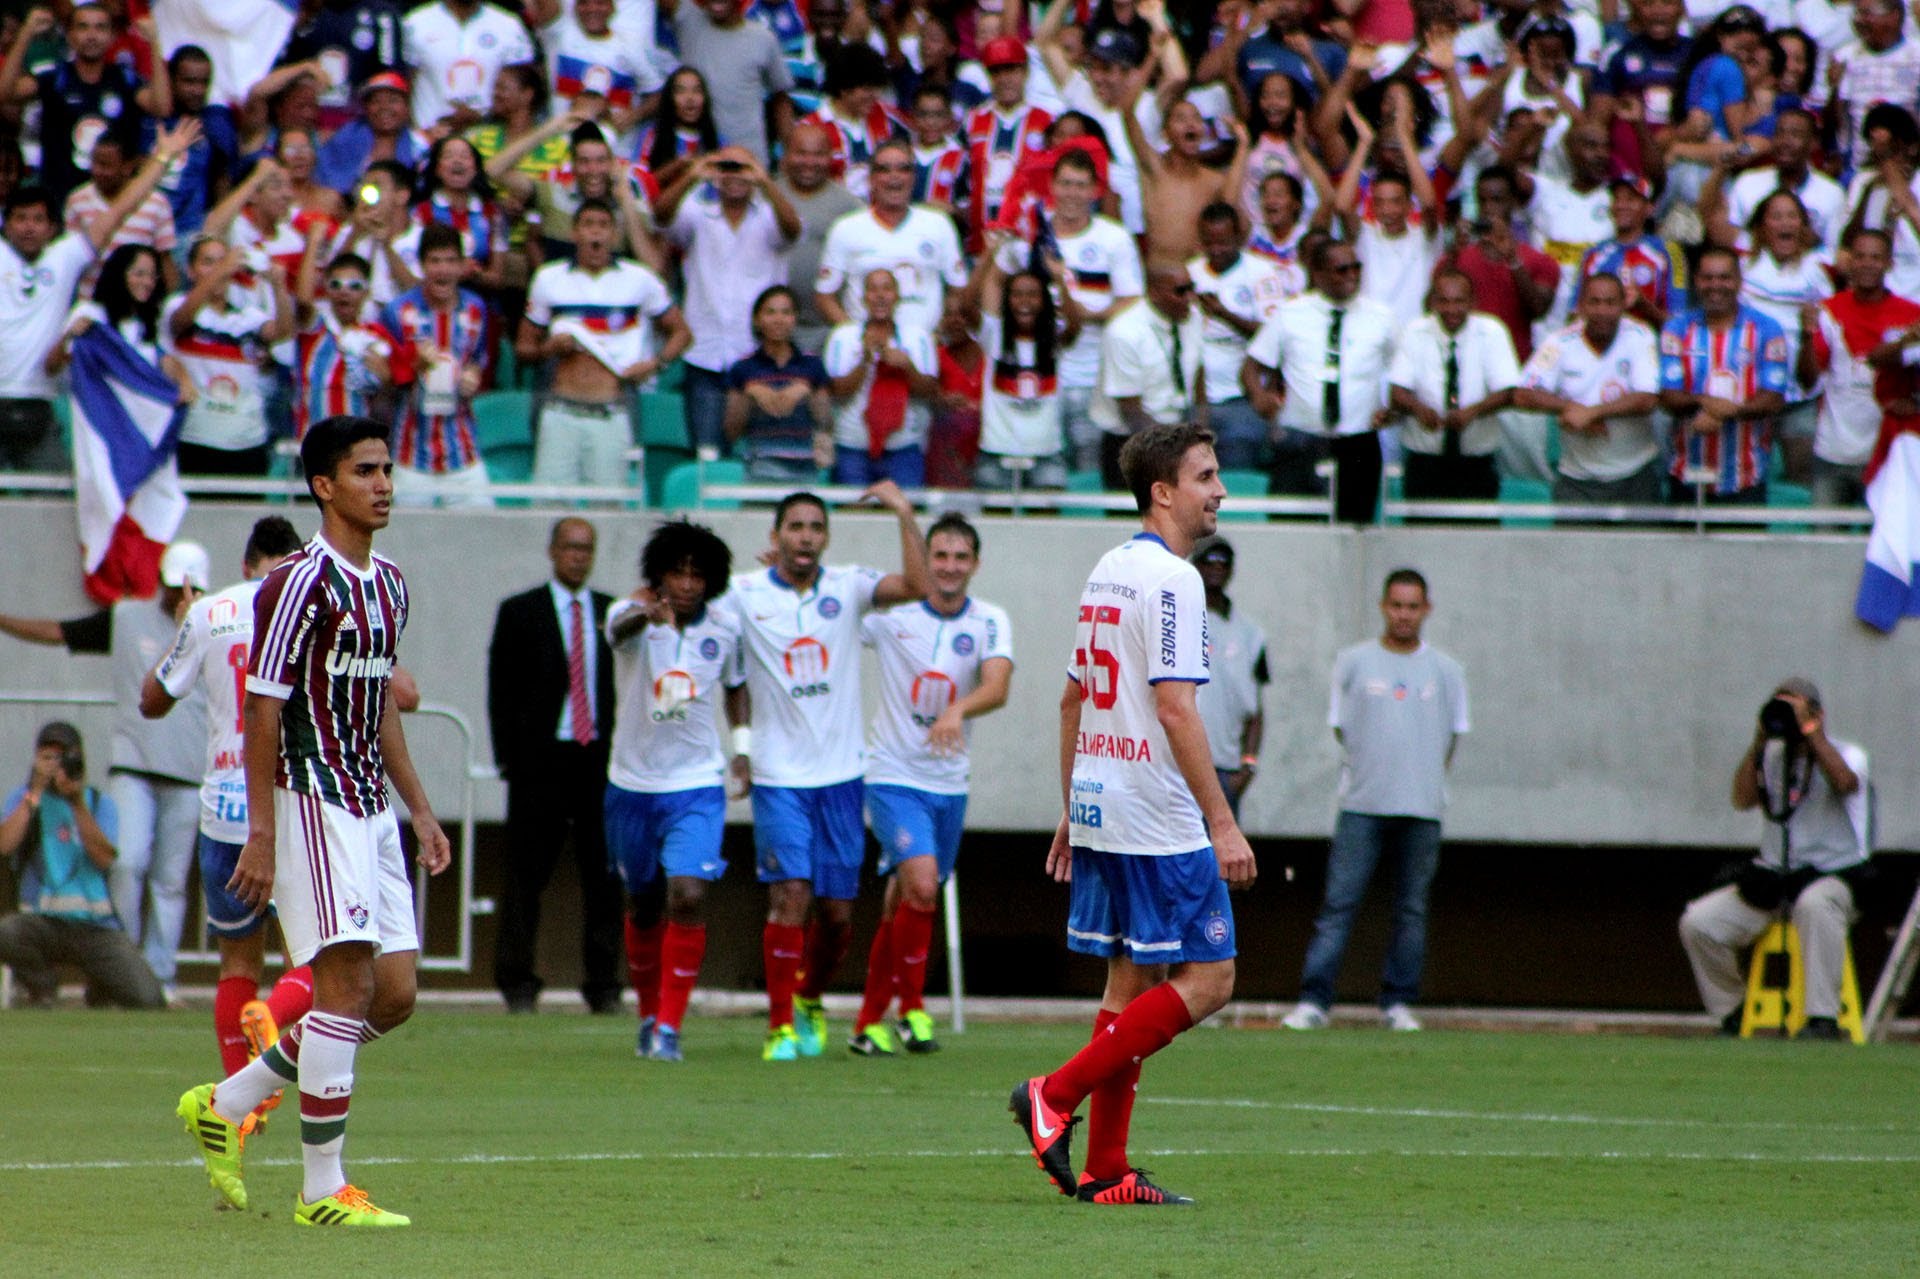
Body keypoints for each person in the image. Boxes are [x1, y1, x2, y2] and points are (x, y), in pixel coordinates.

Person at [176, 414, 452, 1227]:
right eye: (365, 470)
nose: (384, 483)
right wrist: (261, 831)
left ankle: (226, 1102)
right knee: (343, 988)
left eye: (388, 469)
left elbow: (379, 711)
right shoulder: (296, 583)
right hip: (310, 801)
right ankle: (321, 1187)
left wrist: (422, 809)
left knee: (391, 995)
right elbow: (264, 710)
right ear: (324, 486)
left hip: (370, 806)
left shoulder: (390, 582)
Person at [1010, 421, 1254, 1207]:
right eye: (1207, 476)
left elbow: (1073, 694)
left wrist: (1072, 804)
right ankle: (1054, 1094)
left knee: (1130, 979)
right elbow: (1176, 709)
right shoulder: (1177, 581)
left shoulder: (1108, 567)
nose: (1220, 491)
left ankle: (1105, 1169)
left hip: (1102, 798)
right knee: (1211, 977)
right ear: (1164, 491)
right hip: (1156, 812)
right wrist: (1222, 822)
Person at [729, 485, 928, 1061]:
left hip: (842, 777)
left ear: (826, 538)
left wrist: (903, 510)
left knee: (838, 915)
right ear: (775, 536)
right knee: (791, 895)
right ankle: (779, 1027)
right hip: (778, 777)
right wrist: (741, 749)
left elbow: (914, 586)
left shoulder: (848, 586)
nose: (806, 536)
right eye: (795, 526)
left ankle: (810, 996)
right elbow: (733, 679)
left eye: (816, 527)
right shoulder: (742, 593)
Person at [142, 517, 316, 1085]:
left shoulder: (210, 612)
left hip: (226, 810)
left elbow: (152, 701)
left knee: (237, 963)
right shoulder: (311, 606)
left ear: (247, 563)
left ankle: (236, 1100)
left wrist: (182, 630)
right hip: (292, 806)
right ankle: (280, 1042)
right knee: (315, 964)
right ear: (294, 560)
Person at [0, 541, 212, 998]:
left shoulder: (215, 623)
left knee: (170, 883)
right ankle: (125, 963)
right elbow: (60, 632)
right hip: (135, 764)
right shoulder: (126, 617)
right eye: (173, 585)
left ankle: (160, 975)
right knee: (128, 862)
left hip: (191, 771)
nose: (178, 596)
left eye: (187, 588)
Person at [849, 513, 1013, 1055]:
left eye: (959, 557)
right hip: (893, 775)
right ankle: (914, 1010)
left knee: (905, 902)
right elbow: (833, 619)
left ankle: (872, 1020)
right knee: (921, 885)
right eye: (939, 556)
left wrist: (956, 710)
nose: (948, 567)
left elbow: (998, 687)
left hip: (949, 782)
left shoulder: (990, 620)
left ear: (976, 565)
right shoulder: (890, 619)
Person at [1283, 568, 1468, 1034]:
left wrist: (1419, 779)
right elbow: (1341, 728)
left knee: (1411, 909)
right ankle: (1314, 1001)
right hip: (1362, 806)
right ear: (1384, 606)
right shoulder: (1353, 662)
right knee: (1338, 905)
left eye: (1413, 606)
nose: (1404, 615)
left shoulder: (1447, 670)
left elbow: (1451, 739)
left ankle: (1398, 1002)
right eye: (1396, 605)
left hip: (1422, 810)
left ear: (1426, 610)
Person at [602, 519, 747, 1061]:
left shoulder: (727, 627)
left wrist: (744, 749)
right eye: (676, 572)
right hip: (631, 784)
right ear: (658, 575)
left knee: (686, 893)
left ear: (711, 580)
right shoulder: (629, 614)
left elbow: (736, 688)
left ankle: (670, 1027)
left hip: (696, 783)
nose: (686, 584)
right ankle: (647, 1013)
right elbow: (617, 634)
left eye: (696, 574)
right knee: (641, 904)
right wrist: (646, 612)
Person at [0, 119, 199, 473]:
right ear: (6, 223)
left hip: (42, 400)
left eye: (37, 219)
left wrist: (162, 159)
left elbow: (120, 210)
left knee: (50, 506)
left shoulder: (64, 257)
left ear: (52, 227)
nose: (28, 226)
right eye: (19, 218)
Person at [1680, 678, 1869, 1041]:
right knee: (1699, 922)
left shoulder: (1847, 753)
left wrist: (1813, 737)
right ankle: (1734, 1012)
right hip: (1774, 877)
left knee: (1814, 906)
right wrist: (1760, 741)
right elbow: (1741, 800)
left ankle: (1821, 1019)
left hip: (1831, 876)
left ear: (1817, 713)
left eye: (1793, 707)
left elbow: (1846, 784)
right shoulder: (1770, 756)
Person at [486, 517, 622, 1015]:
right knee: (525, 877)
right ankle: (517, 984)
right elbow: (500, 690)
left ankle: (605, 986)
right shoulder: (520, 611)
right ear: (552, 550)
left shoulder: (612, 613)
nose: (578, 557)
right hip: (540, 762)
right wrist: (510, 760)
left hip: (599, 760)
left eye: (587, 548)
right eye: (570, 547)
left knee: (605, 879)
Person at [518, 198, 689, 488]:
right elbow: (524, 348)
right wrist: (549, 350)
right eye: (588, 225)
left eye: (603, 226)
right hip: (560, 411)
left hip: (612, 412)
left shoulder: (640, 279)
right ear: (575, 233)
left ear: (614, 234)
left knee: (610, 507)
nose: (595, 233)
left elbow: (682, 332)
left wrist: (654, 364)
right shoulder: (548, 278)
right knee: (548, 507)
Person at [993, 148, 1142, 474]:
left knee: (1086, 467)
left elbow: (1132, 301)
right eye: (1066, 184)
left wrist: (1081, 313)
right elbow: (997, 280)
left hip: (1092, 372)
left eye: (1080, 185)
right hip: (1039, 375)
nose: (1072, 193)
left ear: (1094, 190)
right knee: (1042, 467)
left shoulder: (1113, 238)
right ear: (1052, 186)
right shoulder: (1031, 235)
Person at [0, 721, 164, 1009]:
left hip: (94, 925)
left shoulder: (99, 803)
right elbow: (5, 845)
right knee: (7, 932)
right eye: (47, 758)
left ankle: (101, 987)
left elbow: (104, 858)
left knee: (148, 998)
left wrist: (76, 803)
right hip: (42, 921)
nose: (55, 766)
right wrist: (34, 794)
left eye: (62, 758)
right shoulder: (24, 799)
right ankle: (42, 987)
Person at [655, 147, 802, 455]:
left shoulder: (768, 215)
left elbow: (792, 230)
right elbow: (661, 216)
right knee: (706, 454)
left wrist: (764, 182)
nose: (735, 174)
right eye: (727, 167)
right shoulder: (698, 211)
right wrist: (693, 177)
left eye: (742, 168)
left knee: (761, 450)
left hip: (758, 356)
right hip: (705, 354)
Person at [1244, 237, 1396, 518]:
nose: (1352, 276)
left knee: (1355, 529)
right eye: (1342, 270)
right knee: (1292, 525)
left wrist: (1394, 410)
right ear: (1318, 274)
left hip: (1358, 440)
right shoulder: (1291, 313)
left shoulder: (1382, 317)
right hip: (1300, 438)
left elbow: (1402, 374)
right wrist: (1259, 395)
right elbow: (1252, 365)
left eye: (1356, 268)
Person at [1513, 273, 1664, 505]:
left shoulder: (1640, 335)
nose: (1602, 311)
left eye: (1610, 303)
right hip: (1577, 480)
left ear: (1624, 304)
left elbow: (1648, 399)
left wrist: (1593, 413)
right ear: (1581, 306)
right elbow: (1523, 394)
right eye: (1594, 302)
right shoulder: (1560, 341)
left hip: (1635, 477)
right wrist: (1572, 408)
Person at [1657, 246, 1789, 505]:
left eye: (1724, 277)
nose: (1715, 285)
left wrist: (1723, 411)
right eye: (1708, 278)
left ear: (1739, 281)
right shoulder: (1676, 330)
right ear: (1696, 281)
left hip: (1746, 479)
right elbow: (1669, 397)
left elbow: (1773, 399)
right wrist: (1705, 403)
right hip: (1686, 475)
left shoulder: (1767, 330)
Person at [1800, 228, 1920, 507]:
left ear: (1890, 263)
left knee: (1881, 546)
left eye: (1876, 257)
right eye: (1861, 256)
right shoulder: (1828, 311)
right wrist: (1805, 336)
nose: (1867, 264)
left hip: (1888, 452)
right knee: (1824, 545)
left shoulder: (1912, 315)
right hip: (1832, 451)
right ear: (1850, 261)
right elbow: (1808, 381)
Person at [0, 4, 169, 202]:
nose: (91, 35)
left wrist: (154, 42)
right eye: (83, 27)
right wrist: (26, 34)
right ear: (70, 35)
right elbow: (5, 93)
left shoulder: (125, 78)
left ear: (113, 36)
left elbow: (162, 107)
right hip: (60, 196)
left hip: (114, 199)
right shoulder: (55, 76)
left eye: (100, 28)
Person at [164, 237, 295, 476]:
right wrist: (223, 269)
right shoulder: (177, 306)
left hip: (248, 443)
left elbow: (283, 332)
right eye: (208, 262)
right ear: (191, 271)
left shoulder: (248, 316)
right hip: (194, 439)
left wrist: (278, 286)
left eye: (222, 262)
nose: (218, 269)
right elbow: (179, 321)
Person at [382, 223, 492, 506]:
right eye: (435, 261)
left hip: (463, 452)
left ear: (463, 266)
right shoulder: (397, 312)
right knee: (406, 544)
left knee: (485, 536)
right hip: (411, 454)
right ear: (421, 265)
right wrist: (413, 367)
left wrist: (473, 377)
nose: (443, 270)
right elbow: (383, 382)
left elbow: (478, 361)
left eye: (450, 261)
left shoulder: (476, 309)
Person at [1388, 269, 1521, 501]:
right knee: (1421, 534)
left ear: (1473, 302)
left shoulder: (1492, 331)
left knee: (1476, 533)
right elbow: (1397, 392)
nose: (1451, 310)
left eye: (1459, 301)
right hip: (1425, 459)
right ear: (1433, 302)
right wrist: (1419, 409)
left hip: (1476, 461)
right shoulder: (1414, 331)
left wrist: (1472, 412)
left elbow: (1508, 392)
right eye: (1444, 301)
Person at [815, 137, 968, 338]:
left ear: (913, 178)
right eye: (884, 170)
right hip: (866, 352)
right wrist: (854, 335)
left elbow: (958, 289)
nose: (894, 177)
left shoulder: (938, 224)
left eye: (903, 169)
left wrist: (939, 333)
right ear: (871, 179)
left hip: (926, 347)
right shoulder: (845, 228)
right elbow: (825, 296)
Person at [1090, 261, 1206, 489]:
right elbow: (1130, 410)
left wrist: (1200, 439)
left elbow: (1199, 379)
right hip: (1131, 443)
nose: (1190, 297)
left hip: (1178, 436)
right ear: (1154, 293)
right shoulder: (1124, 332)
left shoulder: (1193, 318)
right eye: (1180, 291)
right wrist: (1175, 452)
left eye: (1192, 288)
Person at [1190, 201, 1288, 470]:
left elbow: (1275, 336)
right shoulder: (1191, 273)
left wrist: (1225, 314)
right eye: (1209, 242)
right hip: (1199, 400)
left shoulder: (1262, 273)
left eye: (1223, 242)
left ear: (1238, 236)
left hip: (1241, 399)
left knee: (1238, 477)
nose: (1216, 249)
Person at [823, 267, 942, 485]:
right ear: (863, 298)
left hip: (904, 447)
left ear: (897, 296)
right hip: (852, 445)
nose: (880, 295)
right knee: (853, 513)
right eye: (873, 289)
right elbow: (836, 391)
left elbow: (930, 391)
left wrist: (908, 367)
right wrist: (865, 360)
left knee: (905, 511)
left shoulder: (918, 337)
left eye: (887, 289)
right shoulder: (843, 335)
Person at [663, 0, 795, 165]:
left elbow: (781, 99)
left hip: (749, 161)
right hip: (697, 162)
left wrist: (790, 154)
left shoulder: (763, 39)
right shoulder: (689, 20)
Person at [1191, 539, 1267, 822]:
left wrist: (1248, 765)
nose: (1215, 568)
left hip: (1225, 770)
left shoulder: (1251, 634)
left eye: (1223, 562)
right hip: (1175, 769)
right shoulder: (1177, 622)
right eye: (1208, 561)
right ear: (1194, 566)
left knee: (1221, 863)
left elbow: (1256, 709)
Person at [726, 284, 833, 481]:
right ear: (757, 320)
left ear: (795, 319)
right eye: (770, 312)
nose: (778, 320)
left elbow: (826, 423)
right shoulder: (742, 368)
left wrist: (807, 391)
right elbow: (731, 432)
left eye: (786, 312)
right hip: (758, 467)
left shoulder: (812, 365)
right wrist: (749, 393)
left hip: (805, 468)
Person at [774, 122, 864, 354]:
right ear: (786, 154)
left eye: (818, 154)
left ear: (831, 157)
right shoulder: (768, 196)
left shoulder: (850, 207)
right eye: (801, 153)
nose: (809, 162)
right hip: (770, 330)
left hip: (827, 330)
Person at [400, 0, 537, 133]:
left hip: (491, 140)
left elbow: (522, 89)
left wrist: (483, 118)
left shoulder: (509, 25)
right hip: (429, 140)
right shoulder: (415, 23)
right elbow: (405, 85)